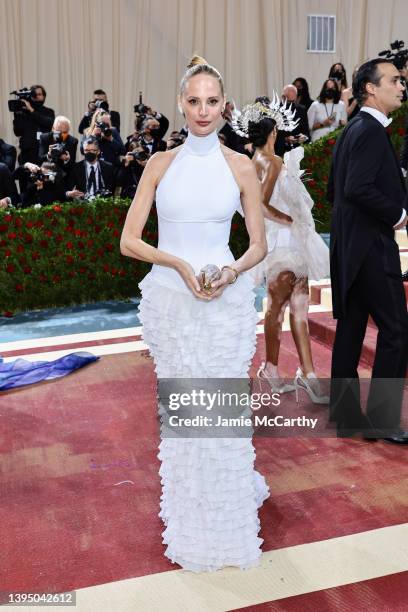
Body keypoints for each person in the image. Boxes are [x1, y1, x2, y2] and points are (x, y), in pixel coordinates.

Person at [120, 58, 270, 572]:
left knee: (221, 414)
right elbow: (129, 240)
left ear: (224, 107)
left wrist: (230, 273)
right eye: (193, 101)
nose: (203, 111)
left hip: (225, 304)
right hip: (172, 300)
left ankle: (227, 517)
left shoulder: (241, 165)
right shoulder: (160, 164)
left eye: (212, 101)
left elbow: (257, 245)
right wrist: (179, 263)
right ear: (180, 104)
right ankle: (190, 520)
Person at [327, 58, 408, 443]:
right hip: (373, 248)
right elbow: (357, 188)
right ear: (371, 89)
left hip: (350, 247)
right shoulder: (371, 131)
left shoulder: (351, 129)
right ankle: (381, 419)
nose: (401, 85)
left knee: (351, 329)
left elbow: (334, 191)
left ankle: (346, 416)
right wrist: (398, 213)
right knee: (396, 331)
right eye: (393, 80)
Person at [233, 99, 330, 401]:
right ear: (273, 132)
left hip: (282, 244)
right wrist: (287, 218)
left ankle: (295, 371)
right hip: (284, 244)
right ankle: (289, 372)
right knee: (288, 309)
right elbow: (260, 205)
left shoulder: (251, 163)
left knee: (284, 309)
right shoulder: (272, 162)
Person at [12, 85, 55, 165]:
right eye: (34, 94)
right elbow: (17, 132)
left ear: (44, 96)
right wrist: (17, 115)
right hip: (26, 154)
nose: (36, 96)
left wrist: (31, 110)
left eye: (39, 94)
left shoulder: (48, 112)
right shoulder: (23, 113)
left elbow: (48, 124)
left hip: (43, 153)